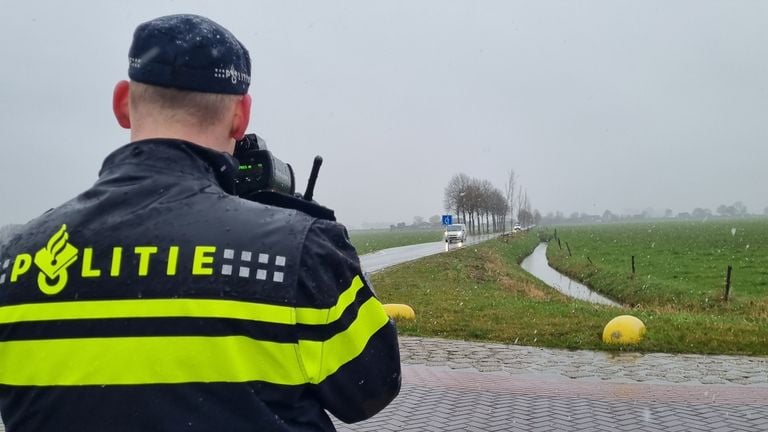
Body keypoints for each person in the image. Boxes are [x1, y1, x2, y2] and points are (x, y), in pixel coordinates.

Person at [0, 14, 401, 431]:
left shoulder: (14, 262)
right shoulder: (299, 252)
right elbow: (372, 389)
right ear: (240, 116)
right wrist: (316, 244)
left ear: (122, 103)